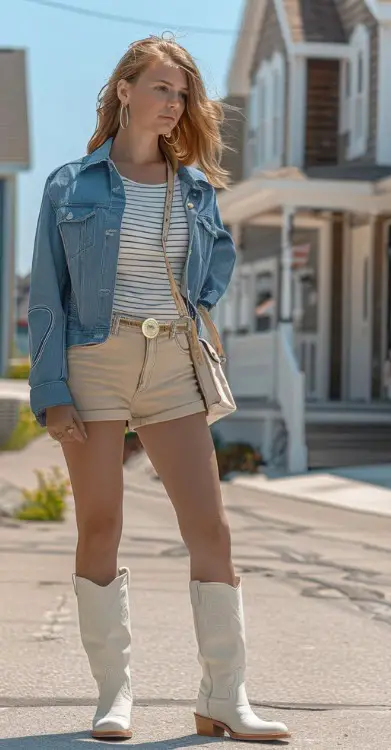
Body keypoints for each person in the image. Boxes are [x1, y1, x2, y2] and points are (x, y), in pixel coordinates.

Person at [28, 35, 290, 743]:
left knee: (210, 528)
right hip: (93, 361)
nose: (173, 104)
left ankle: (224, 698)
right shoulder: (69, 185)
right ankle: (114, 697)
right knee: (101, 525)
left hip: (173, 360)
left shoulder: (196, 187)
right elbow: (47, 296)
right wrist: (51, 390)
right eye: (161, 89)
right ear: (124, 92)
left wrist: (195, 314)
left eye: (182, 93)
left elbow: (217, 261)